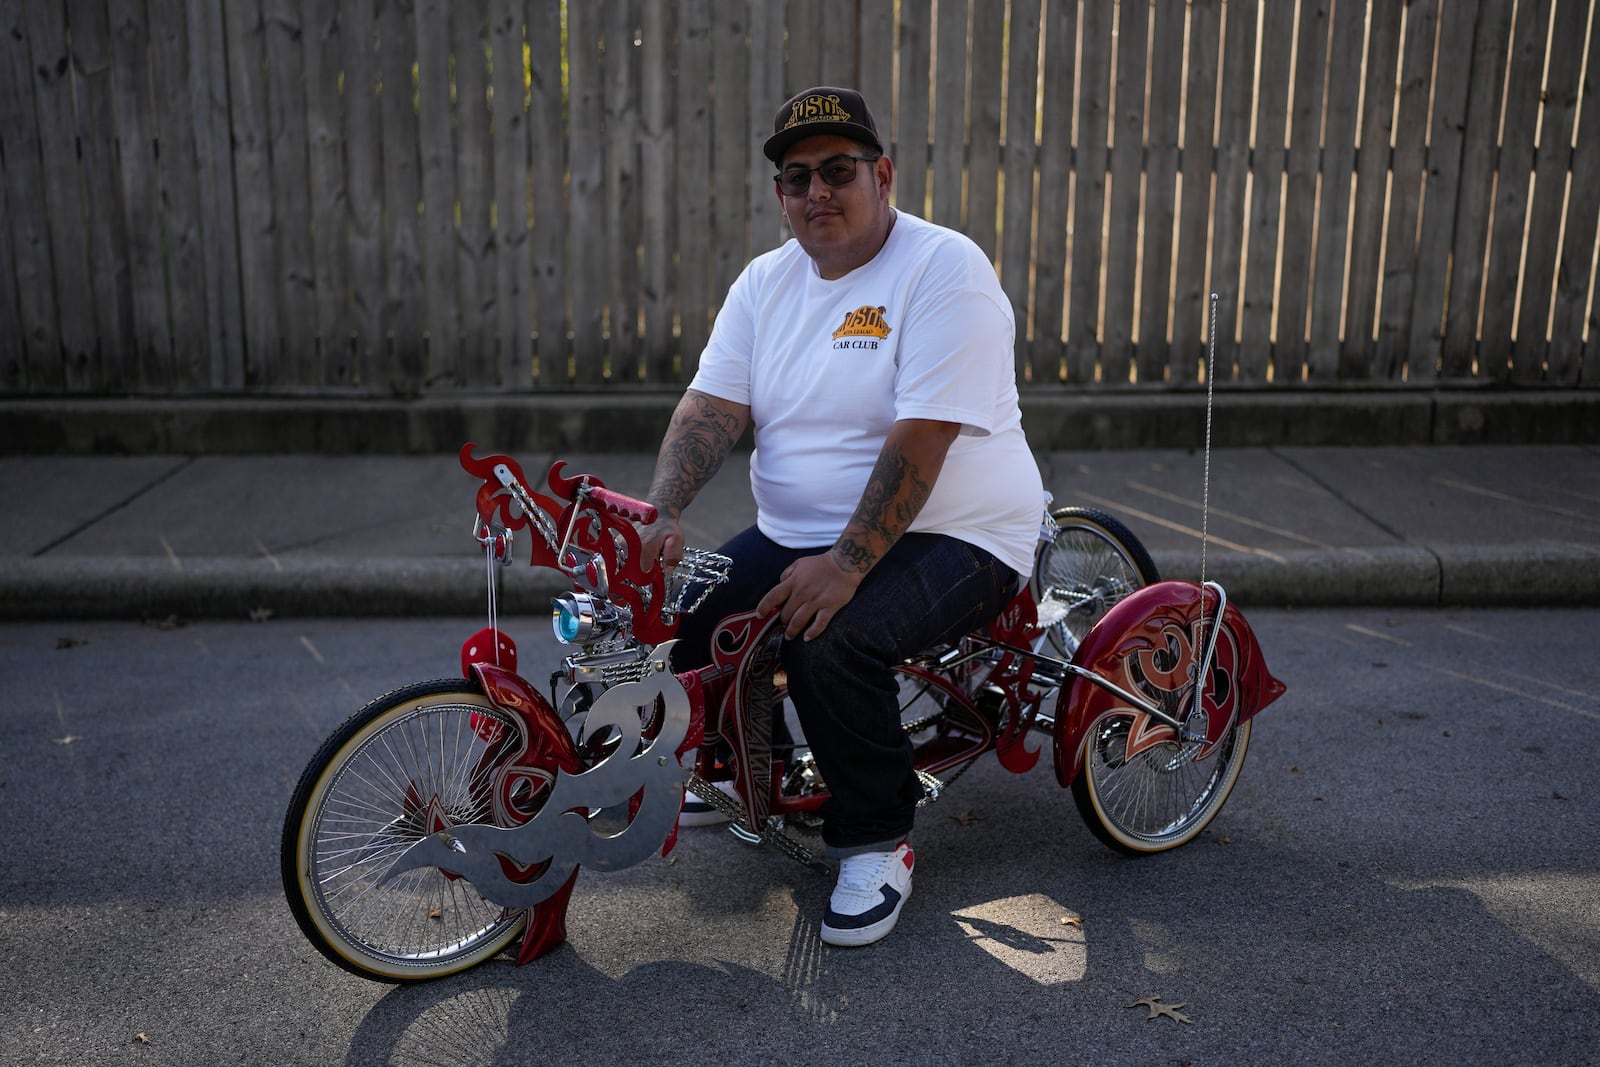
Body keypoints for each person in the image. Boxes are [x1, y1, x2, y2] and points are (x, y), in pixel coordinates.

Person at [641, 86, 1043, 948]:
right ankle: (740, 773)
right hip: (799, 529)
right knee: (692, 621)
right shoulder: (765, 281)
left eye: (837, 170)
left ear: (882, 174)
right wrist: (662, 510)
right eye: (795, 178)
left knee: (831, 637)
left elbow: (924, 436)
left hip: (960, 531)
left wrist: (847, 565)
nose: (816, 192)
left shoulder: (944, 268)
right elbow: (710, 407)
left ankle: (875, 838)